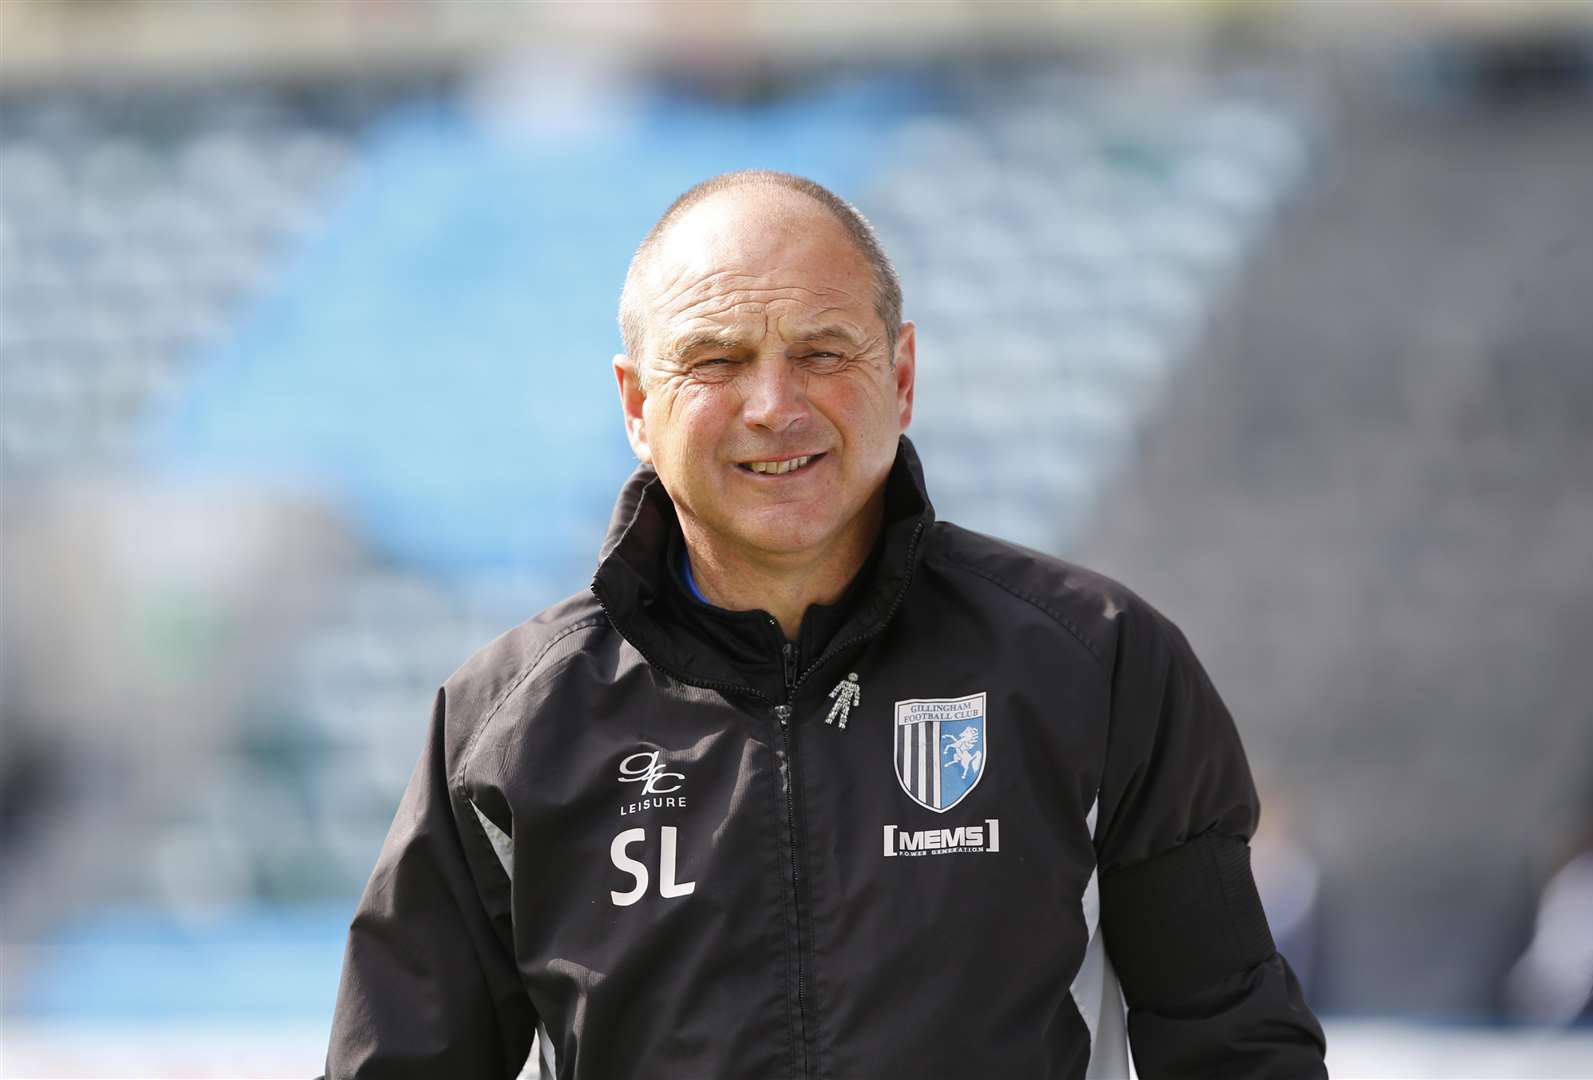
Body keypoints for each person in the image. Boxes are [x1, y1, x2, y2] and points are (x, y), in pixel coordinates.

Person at [324, 170, 1329, 1079]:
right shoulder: (502, 727)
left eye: (821, 352)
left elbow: (1234, 1047)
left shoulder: (1097, 665)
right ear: (636, 404)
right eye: (715, 361)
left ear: (900, 377)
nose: (775, 404)